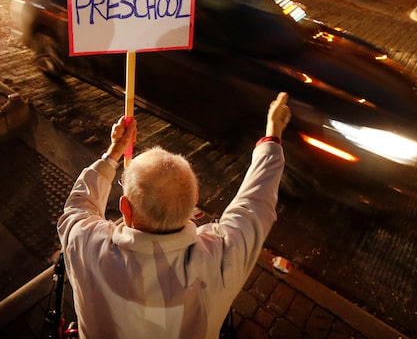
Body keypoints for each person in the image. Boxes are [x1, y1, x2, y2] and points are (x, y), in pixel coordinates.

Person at [58, 92, 291, 339]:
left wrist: (114, 151)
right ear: (193, 204)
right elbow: (255, 202)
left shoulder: (87, 244)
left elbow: (78, 206)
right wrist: (273, 132)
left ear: (126, 209)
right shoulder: (219, 258)